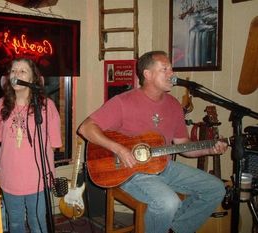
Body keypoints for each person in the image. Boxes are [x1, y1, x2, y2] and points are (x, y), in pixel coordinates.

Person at [78, 51, 228, 233]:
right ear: (147, 74)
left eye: (171, 69)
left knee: (216, 188)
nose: (171, 74)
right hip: (130, 171)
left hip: (164, 166)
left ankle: (176, 228)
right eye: (164, 69)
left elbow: (185, 146)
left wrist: (210, 150)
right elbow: (86, 128)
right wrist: (119, 149)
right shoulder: (123, 102)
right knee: (168, 202)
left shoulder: (173, 105)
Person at [0, 57, 62, 233]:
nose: (16, 74)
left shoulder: (46, 106)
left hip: (38, 179)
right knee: (15, 224)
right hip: (10, 177)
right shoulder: (1, 105)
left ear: (33, 79)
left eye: (23, 71)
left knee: (38, 223)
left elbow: (54, 144)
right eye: (13, 71)